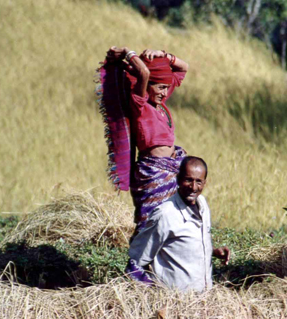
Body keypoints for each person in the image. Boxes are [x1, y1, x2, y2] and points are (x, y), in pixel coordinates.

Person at [99, 46, 189, 232]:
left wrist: (164, 55)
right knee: (152, 221)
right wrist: (126, 52)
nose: (165, 92)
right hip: (153, 173)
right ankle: (143, 258)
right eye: (160, 87)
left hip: (172, 170)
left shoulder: (160, 103)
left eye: (166, 87)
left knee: (173, 220)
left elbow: (183, 68)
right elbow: (144, 72)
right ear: (147, 86)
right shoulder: (140, 105)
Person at [125, 156, 231, 292]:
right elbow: (136, 260)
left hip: (204, 302)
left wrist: (212, 251)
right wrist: (151, 293)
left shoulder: (202, 205)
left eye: (198, 181)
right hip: (176, 305)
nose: (193, 187)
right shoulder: (165, 215)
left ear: (205, 183)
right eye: (188, 180)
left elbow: (184, 246)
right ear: (178, 179)